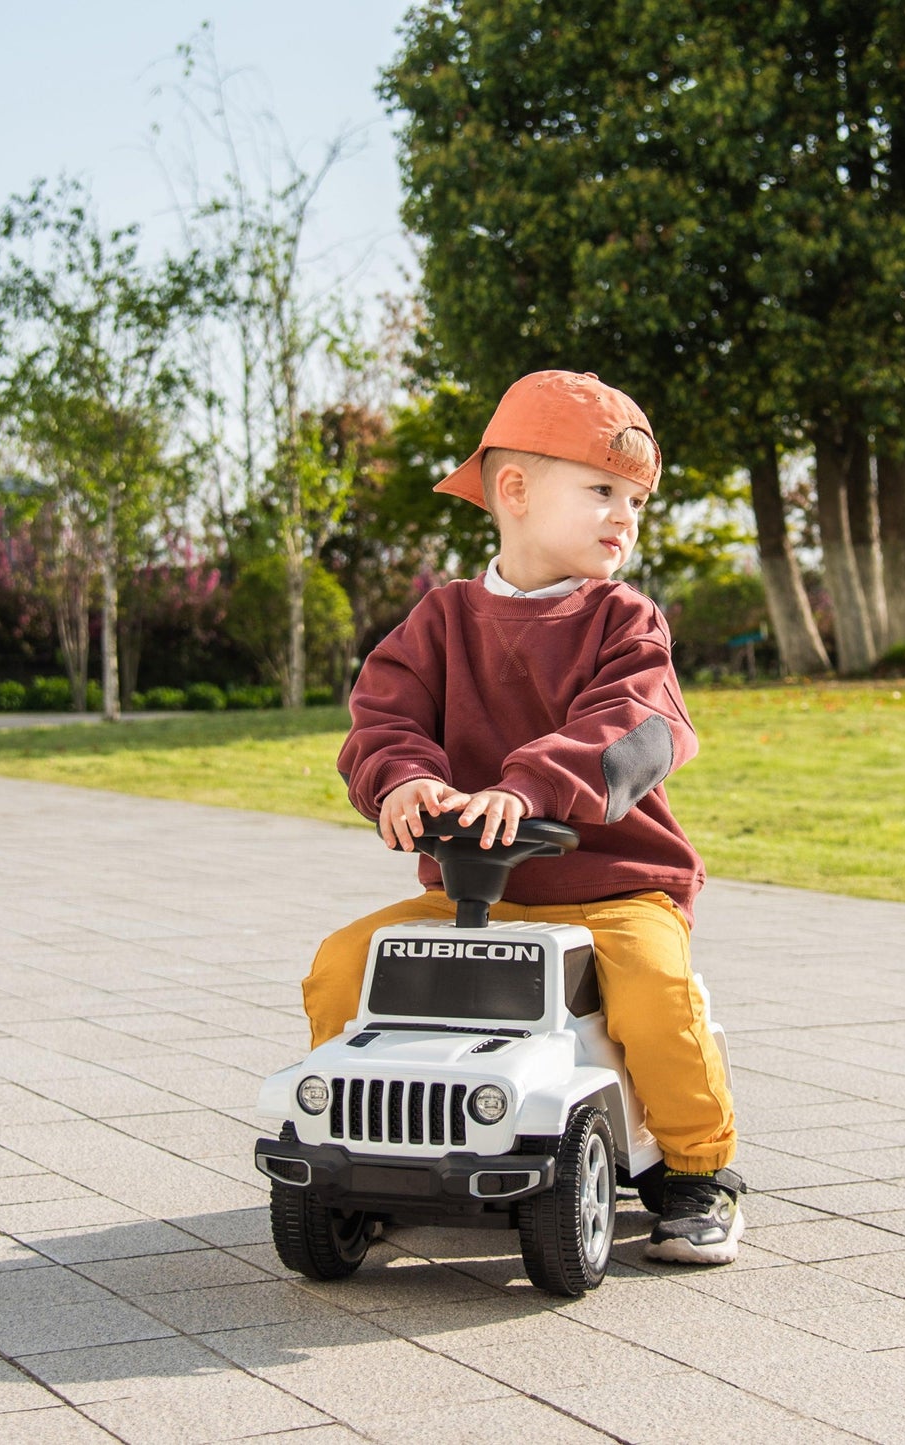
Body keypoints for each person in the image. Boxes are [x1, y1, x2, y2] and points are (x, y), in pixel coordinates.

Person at [302, 369, 742, 1265]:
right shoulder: (441, 620)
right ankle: (364, 1147)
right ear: (513, 491)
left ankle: (695, 1173)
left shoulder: (627, 623)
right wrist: (400, 783)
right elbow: (381, 719)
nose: (624, 516)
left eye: (635, 500)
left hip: (612, 887)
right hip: (477, 896)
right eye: (602, 491)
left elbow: (638, 725)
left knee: (656, 995)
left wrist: (527, 785)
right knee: (343, 965)